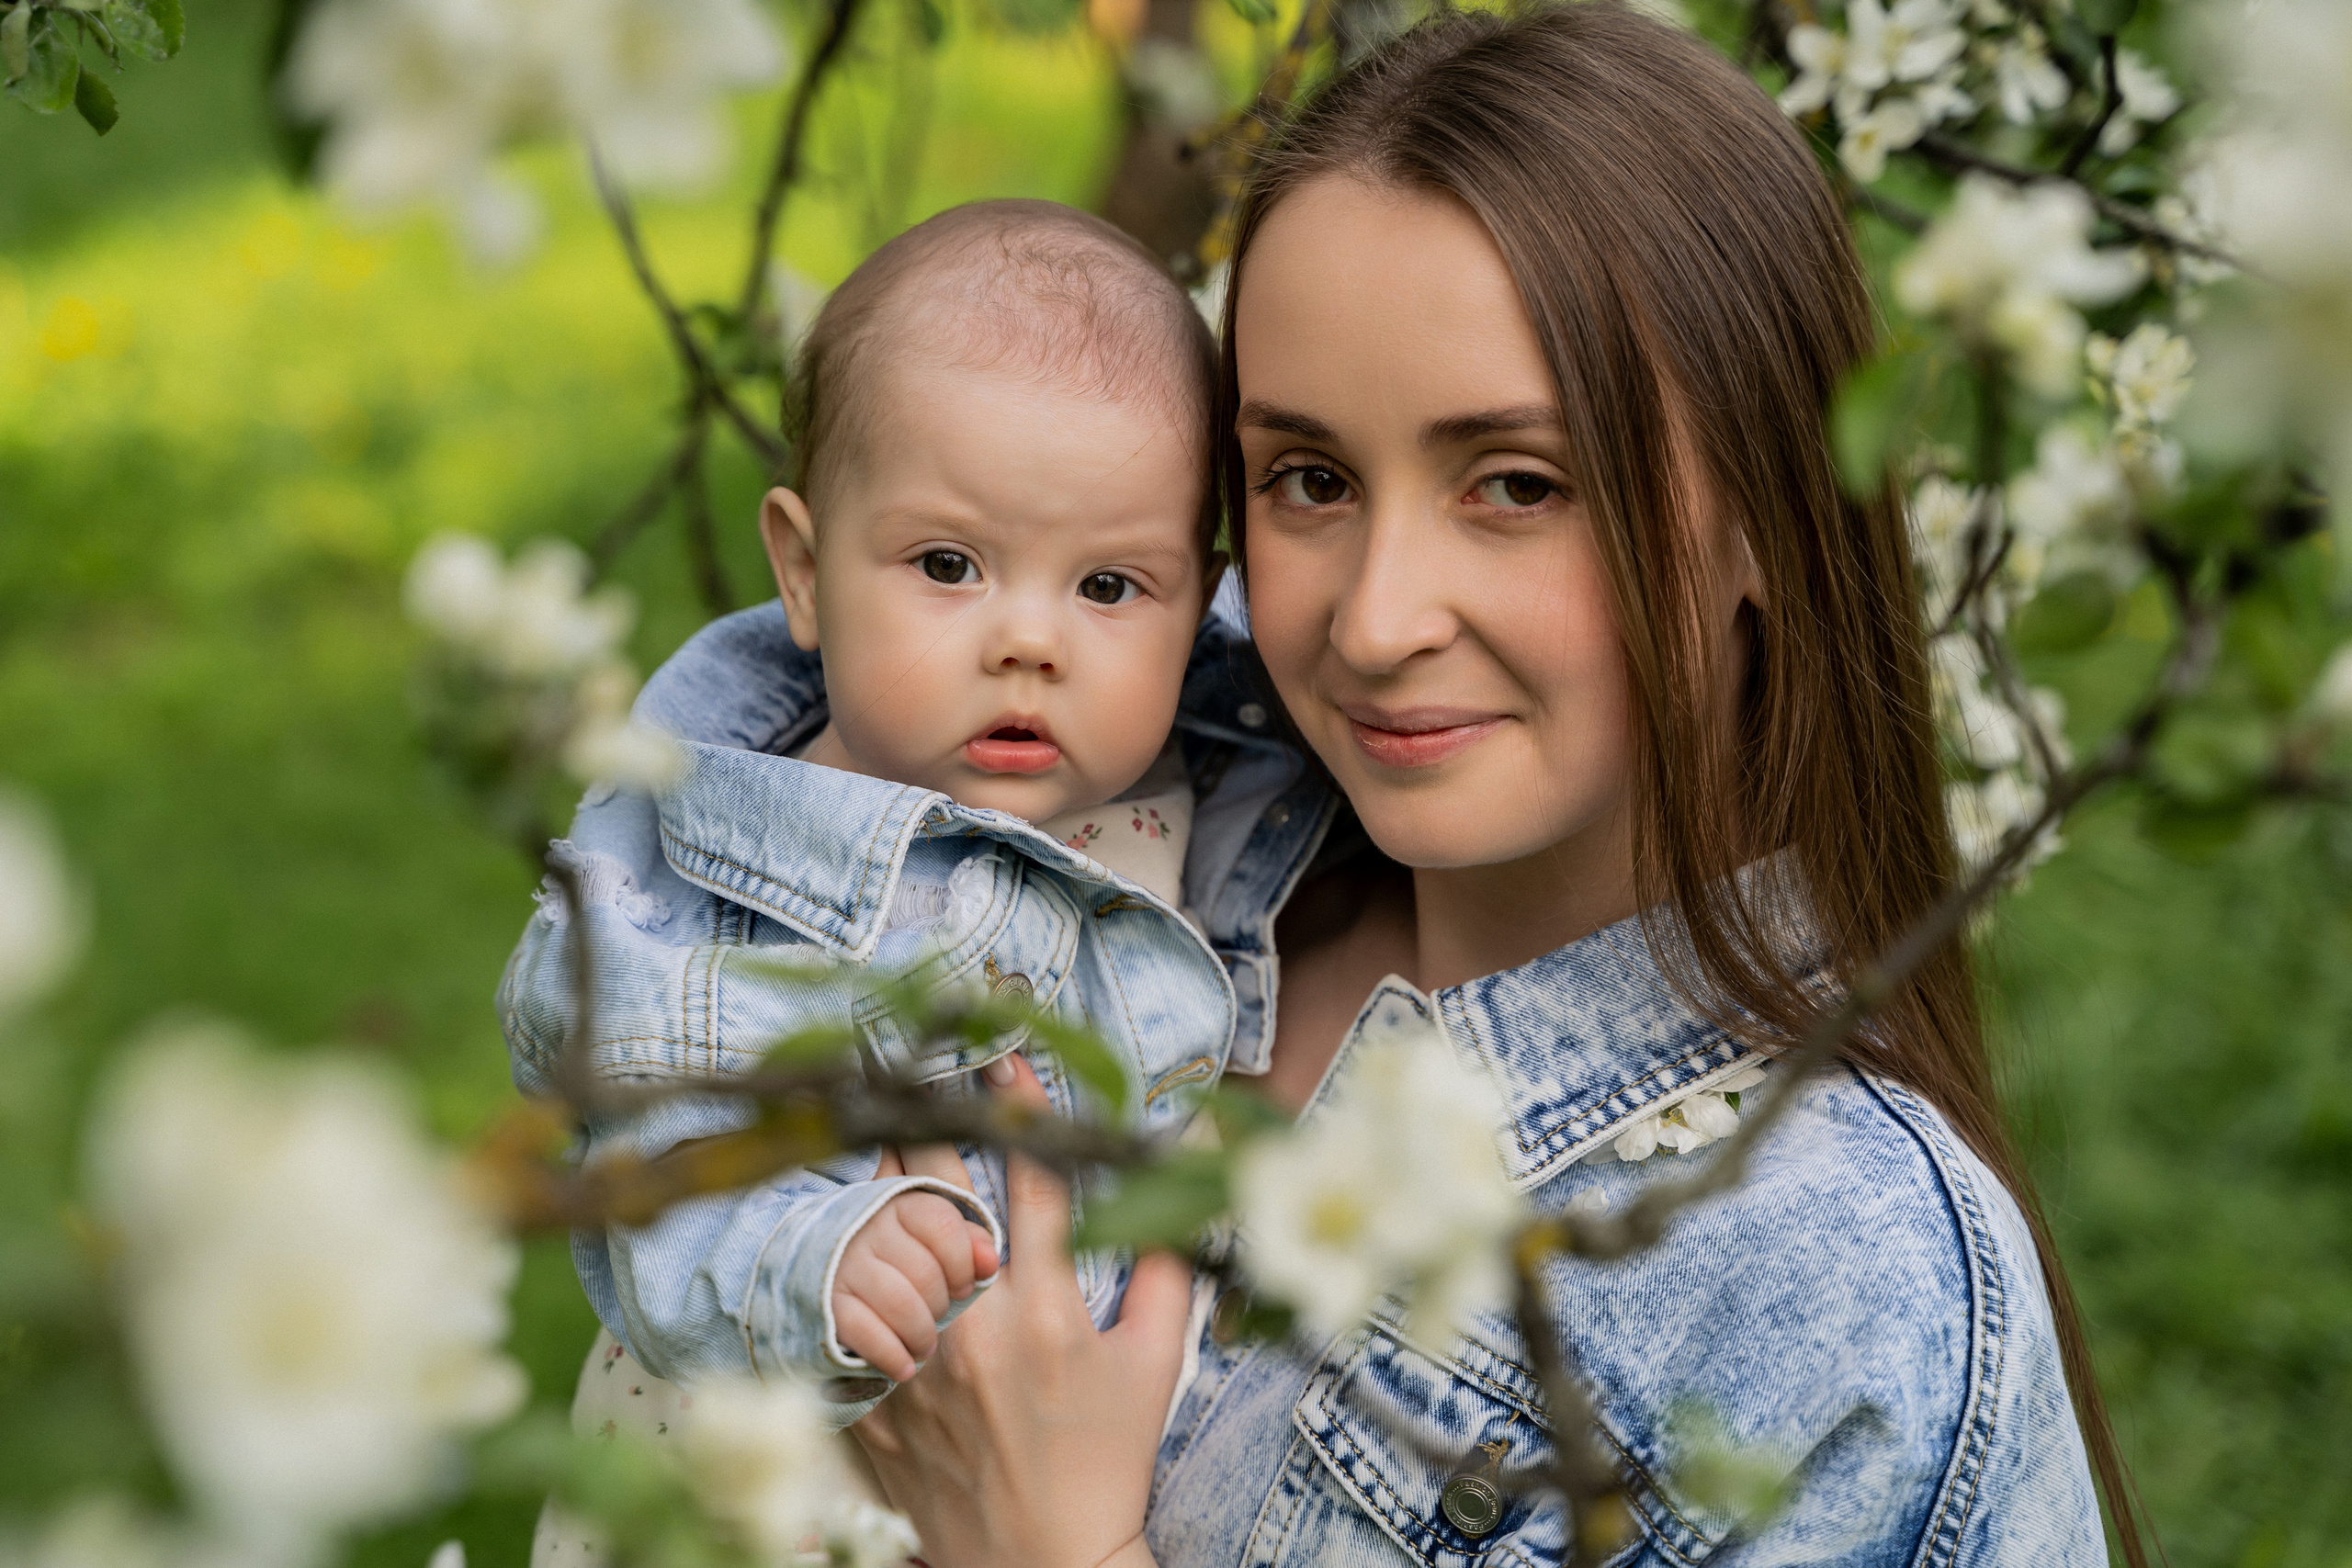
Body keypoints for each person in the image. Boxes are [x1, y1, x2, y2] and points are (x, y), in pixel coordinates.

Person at [839, 6, 2150, 1565]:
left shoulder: (1829, 1279)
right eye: (1309, 480)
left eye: (1517, 485)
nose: (1379, 620)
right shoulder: (1118, 843)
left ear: (1765, 519)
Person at [500, 197, 1247, 1451]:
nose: (1027, 641)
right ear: (802, 569)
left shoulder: (1206, 767)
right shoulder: (712, 880)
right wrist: (818, 1258)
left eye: (1110, 586)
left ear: (1200, 601)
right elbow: (647, 1161)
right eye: (949, 565)